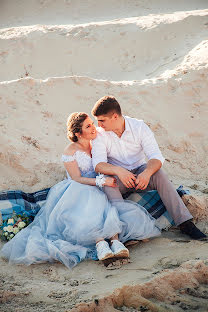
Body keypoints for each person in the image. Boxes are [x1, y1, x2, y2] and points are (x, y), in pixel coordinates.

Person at [0, 112, 160, 269]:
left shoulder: (97, 141)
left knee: (107, 206)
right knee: (91, 204)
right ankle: (100, 244)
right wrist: (99, 181)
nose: (94, 128)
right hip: (79, 187)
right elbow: (76, 178)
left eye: (92, 123)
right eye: (88, 126)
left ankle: (116, 241)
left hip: (99, 185)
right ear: (78, 133)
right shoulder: (70, 151)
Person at [91, 96, 207, 240]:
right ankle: (125, 231)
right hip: (118, 177)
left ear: (114, 116)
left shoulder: (139, 127)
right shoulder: (99, 134)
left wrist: (146, 173)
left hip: (140, 172)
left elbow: (156, 157)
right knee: (108, 183)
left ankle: (184, 223)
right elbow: (98, 165)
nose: (98, 124)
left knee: (159, 174)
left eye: (102, 120)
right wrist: (119, 171)